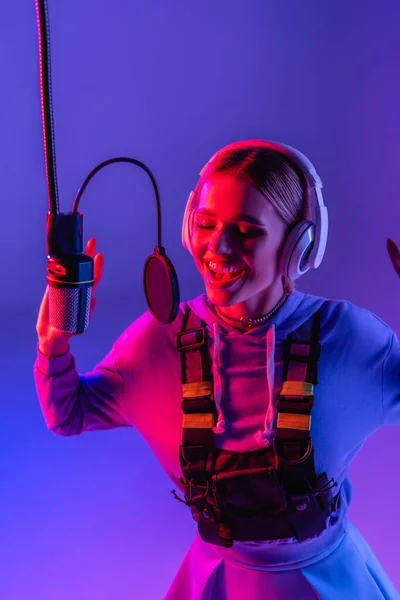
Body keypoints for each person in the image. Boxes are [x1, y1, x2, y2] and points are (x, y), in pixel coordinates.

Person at [34, 140, 400, 599]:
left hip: (330, 582)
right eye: (206, 224)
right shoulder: (155, 343)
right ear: (188, 230)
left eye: (247, 231)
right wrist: (53, 347)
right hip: (218, 581)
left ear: (297, 246)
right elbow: (68, 413)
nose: (218, 247)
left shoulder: (351, 340)